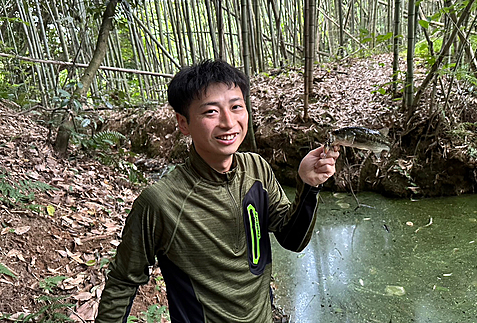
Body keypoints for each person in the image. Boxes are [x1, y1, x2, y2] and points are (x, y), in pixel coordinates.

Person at [95, 60, 339, 323]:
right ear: (183, 123)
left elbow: (292, 239)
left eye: (236, 107)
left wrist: (309, 185)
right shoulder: (160, 203)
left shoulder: (257, 169)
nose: (228, 122)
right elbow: (122, 283)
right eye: (211, 112)